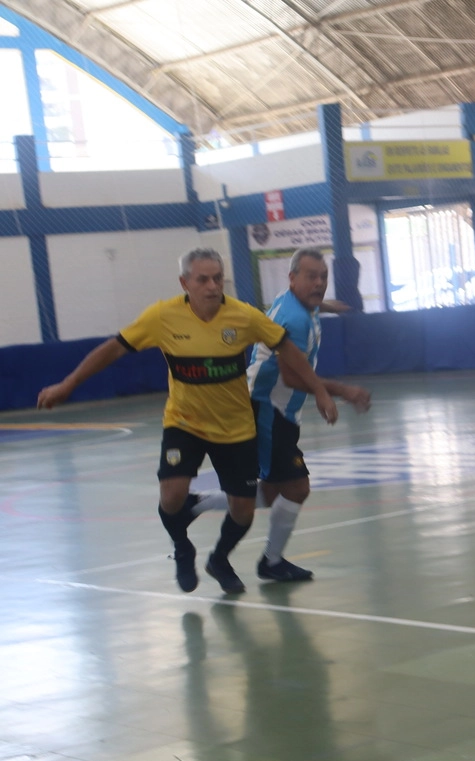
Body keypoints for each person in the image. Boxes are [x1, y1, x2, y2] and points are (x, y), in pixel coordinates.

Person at [36, 248, 338, 594]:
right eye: (203, 279)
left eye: (217, 279)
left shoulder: (243, 316)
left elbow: (285, 346)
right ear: (185, 283)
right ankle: (183, 547)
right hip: (185, 422)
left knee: (243, 510)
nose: (212, 286)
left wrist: (321, 391)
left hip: (235, 426)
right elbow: (113, 349)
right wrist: (68, 385)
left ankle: (220, 558)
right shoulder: (163, 317)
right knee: (172, 496)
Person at [191, 249, 371, 582]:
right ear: (292, 279)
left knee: (273, 491)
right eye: (310, 276)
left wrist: (325, 304)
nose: (318, 283)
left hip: (276, 410)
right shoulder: (296, 320)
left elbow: (300, 310)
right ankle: (264, 561)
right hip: (267, 409)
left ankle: (197, 505)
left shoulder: (294, 302)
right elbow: (291, 376)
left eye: (323, 276)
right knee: (297, 487)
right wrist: (341, 391)